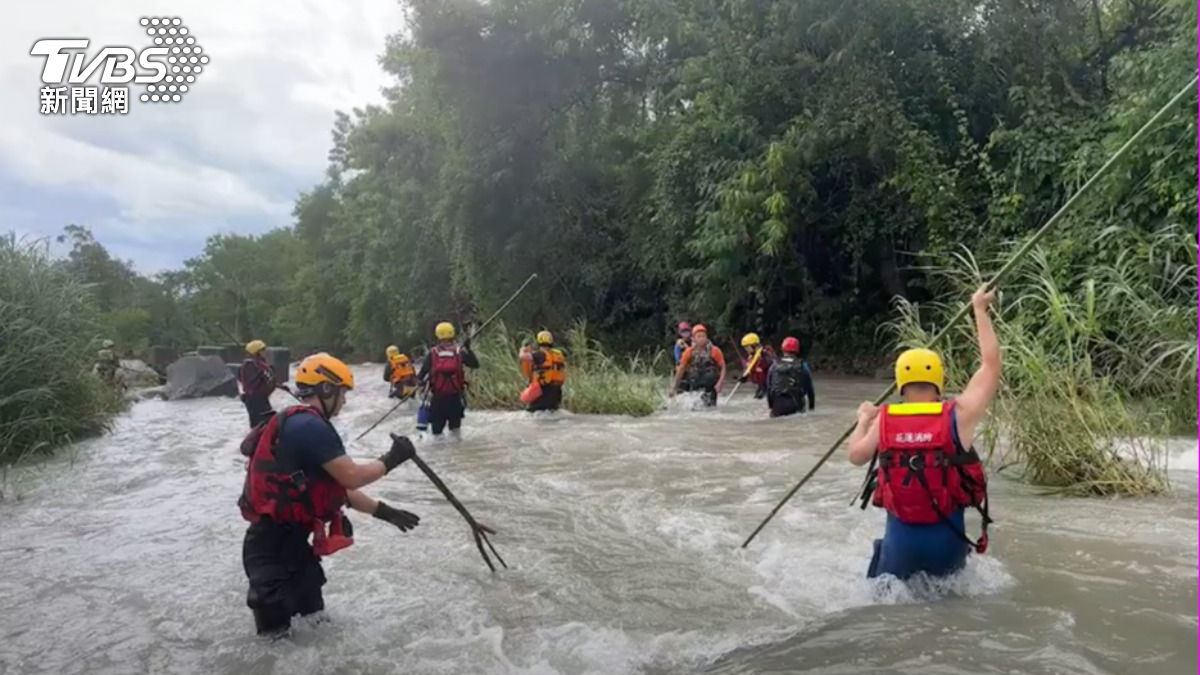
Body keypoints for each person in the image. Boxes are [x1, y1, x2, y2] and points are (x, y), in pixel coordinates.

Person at [240, 352, 422, 636]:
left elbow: (339, 490)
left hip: (296, 547)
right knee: (276, 645)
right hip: (270, 551)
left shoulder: (302, 423)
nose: (344, 402)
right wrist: (393, 458)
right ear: (326, 389)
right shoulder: (309, 426)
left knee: (317, 627)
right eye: (342, 393)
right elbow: (353, 476)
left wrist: (385, 512)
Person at [848, 286, 998, 581]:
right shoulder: (959, 415)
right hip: (947, 545)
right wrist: (979, 310)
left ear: (901, 382)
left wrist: (863, 419)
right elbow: (991, 366)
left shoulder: (885, 420)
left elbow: (855, 456)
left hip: (900, 545)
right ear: (938, 380)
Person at [416, 322, 479, 437]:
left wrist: (421, 383)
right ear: (452, 334)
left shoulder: (432, 353)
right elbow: (475, 364)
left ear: (437, 335)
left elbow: (420, 376)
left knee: (437, 435)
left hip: (438, 400)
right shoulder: (459, 352)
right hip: (455, 399)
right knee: (455, 433)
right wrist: (469, 349)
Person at [671, 324, 726, 406]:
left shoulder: (715, 351)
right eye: (699, 336)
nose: (701, 339)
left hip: (711, 385)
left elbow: (723, 367)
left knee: (711, 408)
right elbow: (681, 370)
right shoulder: (688, 352)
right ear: (693, 338)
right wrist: (674, 388)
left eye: (703, 336)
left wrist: (720, 383)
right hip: (695, 384)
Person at [766, 337, 815, 417]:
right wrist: (811, 409)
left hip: (778, 406)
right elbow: (810, 390)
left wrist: (771, 407)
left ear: (782, 349)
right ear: (797, 350)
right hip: (796, 405)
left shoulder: (774, 366)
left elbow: (769, 388)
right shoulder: (803, 365)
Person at [519, 330, 567, 412]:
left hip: (542, 392)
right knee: (552, 412)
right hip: (556, 392)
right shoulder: (558, 355)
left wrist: (522, 350)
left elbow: (523, 357)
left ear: (538, 342)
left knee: (532, 413)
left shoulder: (540, 355)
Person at [238, 340, 277, 428]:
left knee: (268, 423)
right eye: (263, 350)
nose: (265, 351)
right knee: (261, 425)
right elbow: (250, 383)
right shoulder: (250, 365)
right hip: (255, 400)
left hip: (261, 399)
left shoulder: (260, 364)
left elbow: (267, 380)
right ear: (257, 352)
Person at [737, 332, 776, 399]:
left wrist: (763, 354)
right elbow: (751, 369)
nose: (746, 349)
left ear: (754, 345)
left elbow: (771, 362)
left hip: (769, 386)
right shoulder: (751, 357)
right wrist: (745, 377)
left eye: (747, 347)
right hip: (761, 386)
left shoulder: (765, 353)